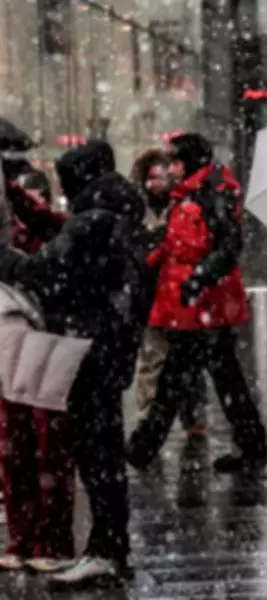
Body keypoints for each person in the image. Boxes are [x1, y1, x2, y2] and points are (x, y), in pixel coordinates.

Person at [0, 140, 151, 587]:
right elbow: (60, 236)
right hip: (109, 348)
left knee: (96, 456)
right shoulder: (114, 213)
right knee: (100, 454)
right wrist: (19, 201)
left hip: (91, 351)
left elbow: (40, 272)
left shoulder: (95, 222)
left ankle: (106, 552)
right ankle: (110, 550)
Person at [126, 133, 267, 474]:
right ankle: (252, 446)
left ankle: (143, 446)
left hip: (203, 306)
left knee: (178, 378)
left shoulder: (210, 194)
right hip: (196, 304)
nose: (171, 169)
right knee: (218, 377)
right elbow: (181, 242)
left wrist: (199, 278)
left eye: (176, 162)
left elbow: (228, 246)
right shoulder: (194, 192)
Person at [0, 161, 73, 574]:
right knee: (14, 449)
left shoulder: (50, 236)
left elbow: (52, 230)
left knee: (49, 449)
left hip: (45, 342)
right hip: (10, 345)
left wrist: (15, 194)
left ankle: (54, 540)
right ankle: (22, 537)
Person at [129, 148, 207, 434]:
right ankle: (146, 418)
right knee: (152, 359)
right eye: (152, 178)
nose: (157, 183)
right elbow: (136, 249)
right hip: (152, 296)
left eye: (162, 177)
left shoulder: (185, 206)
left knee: (188, 361)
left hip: (182, 296)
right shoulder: (137, 210)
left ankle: (193, 418)